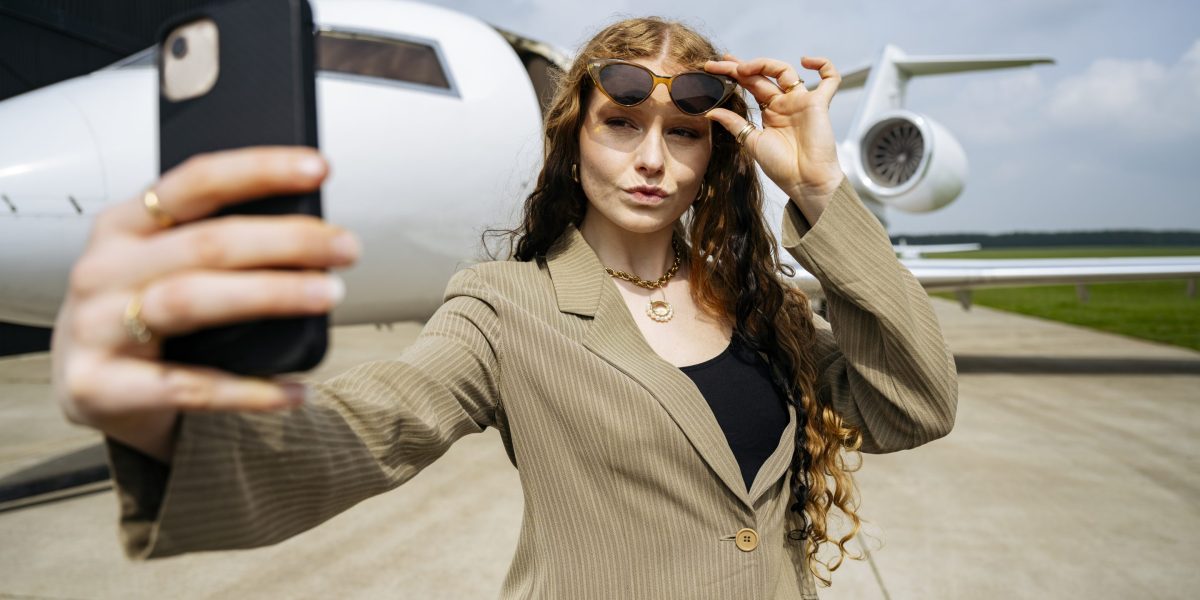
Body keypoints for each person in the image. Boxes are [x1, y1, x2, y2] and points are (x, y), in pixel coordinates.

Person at [51, 16, 957, 599]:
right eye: (621, 124)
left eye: (684, 134)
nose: (653, 159)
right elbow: (379, 423)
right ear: (574, 139)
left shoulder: (767, 312)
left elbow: (913, 405)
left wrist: (823, 192)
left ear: (712, 159)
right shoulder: (504, 307)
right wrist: (164, 418)